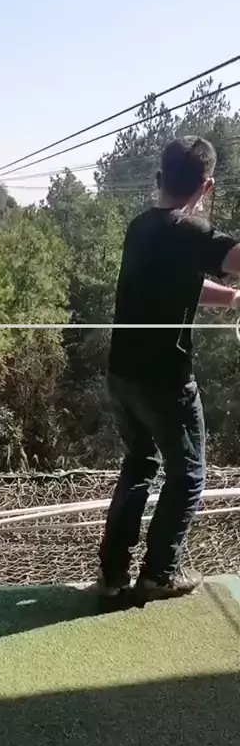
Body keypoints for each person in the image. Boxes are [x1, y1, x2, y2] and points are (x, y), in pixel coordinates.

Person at [98, 136, 240, 601]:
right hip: (164, 381)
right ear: (207, 186)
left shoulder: (141, 227)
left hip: (123, 375)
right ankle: (159, 573)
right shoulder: (190, 230)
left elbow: (182, 281)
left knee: (140, 462)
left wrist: (232, 299)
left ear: (160, 177)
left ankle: (113, 575)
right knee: (189, 475)